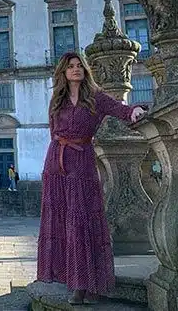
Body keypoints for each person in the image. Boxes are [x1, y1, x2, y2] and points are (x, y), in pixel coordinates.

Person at [37, 52, 146, 305]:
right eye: (70, 67)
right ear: (63, 72)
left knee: (83, 222)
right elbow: (54, 132)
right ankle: (73, 280)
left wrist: (134, 111)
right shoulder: (57, 100)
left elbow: (120, 108)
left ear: (85, 71)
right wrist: (53, 164)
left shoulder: (95, 98)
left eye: (79, 66)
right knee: (63, 222)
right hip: (56, 162)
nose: (75, 70)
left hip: (82, 161)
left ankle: (88, 284)